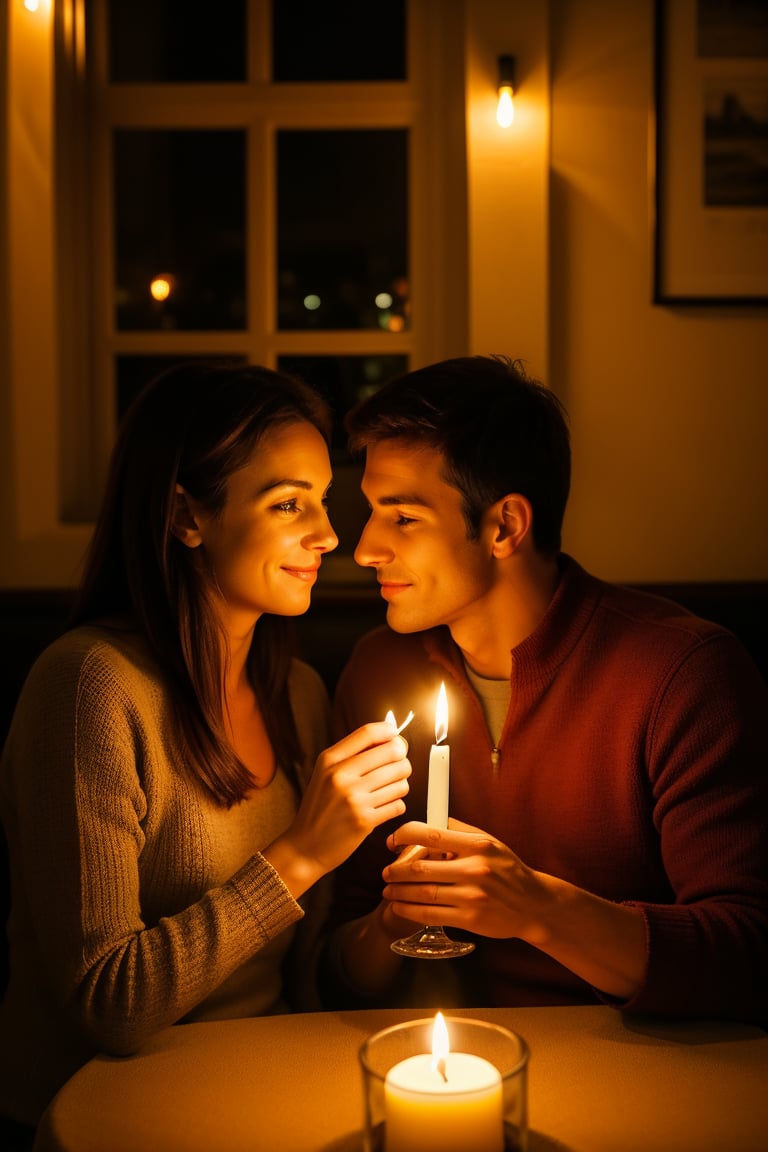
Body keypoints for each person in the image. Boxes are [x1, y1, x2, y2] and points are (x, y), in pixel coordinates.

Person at [0, 361, 411, 1145]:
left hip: (256, 1095)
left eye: (325, 500)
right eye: (290, 503)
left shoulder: (298, 694)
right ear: (187, 517)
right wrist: (299, 855)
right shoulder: (91, 688)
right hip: (94, 1118)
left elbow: (300, 979)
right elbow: (105, 1004)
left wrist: (391, 925)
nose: (328, 535)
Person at [322, 354, 768, 1025]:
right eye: (371, 513)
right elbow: (339, 969)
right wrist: (393, 920)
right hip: (437, 1058)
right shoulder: (379, 671)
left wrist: (536, 908)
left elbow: (750, 956)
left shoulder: (681, 672)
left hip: (640, 1060)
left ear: (505, 526)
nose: (364, 549)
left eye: (403, 517)